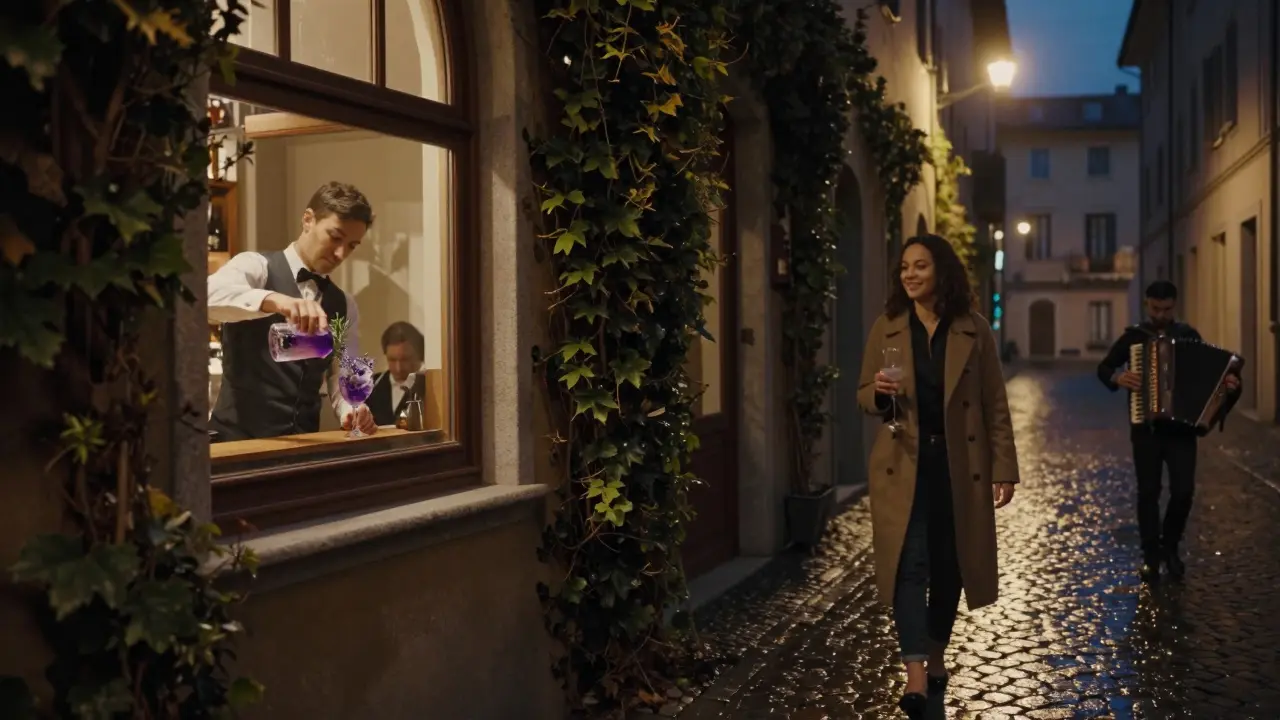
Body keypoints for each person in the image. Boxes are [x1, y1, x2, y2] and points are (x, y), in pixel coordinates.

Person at [856, 234, 1019, 719]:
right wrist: (881, 395)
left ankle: (935, 650)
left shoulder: (974, 330)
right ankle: (915, 675)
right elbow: (864, 393)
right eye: (904, 266)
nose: (909, 274)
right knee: (910, 564)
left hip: (957, 467)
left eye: (920, 266)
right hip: (902, 463)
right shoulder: (886, 327)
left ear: (940, 271)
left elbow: (994, 405)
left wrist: (1003, 468)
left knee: (951, 566)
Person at [208, 181, 379, 441]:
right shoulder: (256, 266)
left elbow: (343, 372)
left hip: (301, 447)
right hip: (238, 442)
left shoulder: (344, 304)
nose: (341, 253)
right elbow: (205, 299)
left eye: (352, 245)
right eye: (335, 237)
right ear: (308, 220)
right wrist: (275, 300)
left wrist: (353, 407)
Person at [1096, 280, 1241, 582]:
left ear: (1175, 306)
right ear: (1147, 304)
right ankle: (1150, 555)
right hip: (1145, 429)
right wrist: (1119, 377)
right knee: (1148, 492)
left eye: (1167, 309)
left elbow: (1212, 378)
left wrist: (1228, 386)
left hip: (1181, 431)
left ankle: (1170, 547)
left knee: (1184, 491)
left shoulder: (1188, 336)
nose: (1161, 315)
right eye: (1156, 308)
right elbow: (1104, 368)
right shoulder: (1134, 338)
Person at [368, 321, 429, 427]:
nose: (398, 368)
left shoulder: (432, 386)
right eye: (392, 359)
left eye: (405, 359)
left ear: (419, 355)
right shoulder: (369, 386)